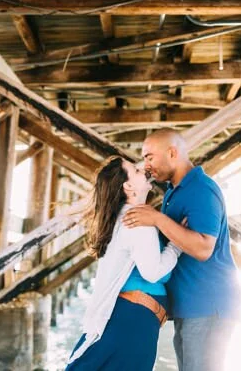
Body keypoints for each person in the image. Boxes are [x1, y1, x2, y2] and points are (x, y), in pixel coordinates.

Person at [124, 128, 240, 371]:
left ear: (172, 153)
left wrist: (158, 219)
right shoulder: (173, 192)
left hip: (208, 305)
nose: (146, 165)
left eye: (149, 157)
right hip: (190, 306)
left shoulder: (201, 190)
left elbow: (203, 248)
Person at [66, 156, 183, 371]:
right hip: (133, 321)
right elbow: (153, 273)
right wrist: (177, 244)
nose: (144, 169)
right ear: (128, 186)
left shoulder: (125, 217)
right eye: (136, 171)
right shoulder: (137, 221)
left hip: (130, 317)